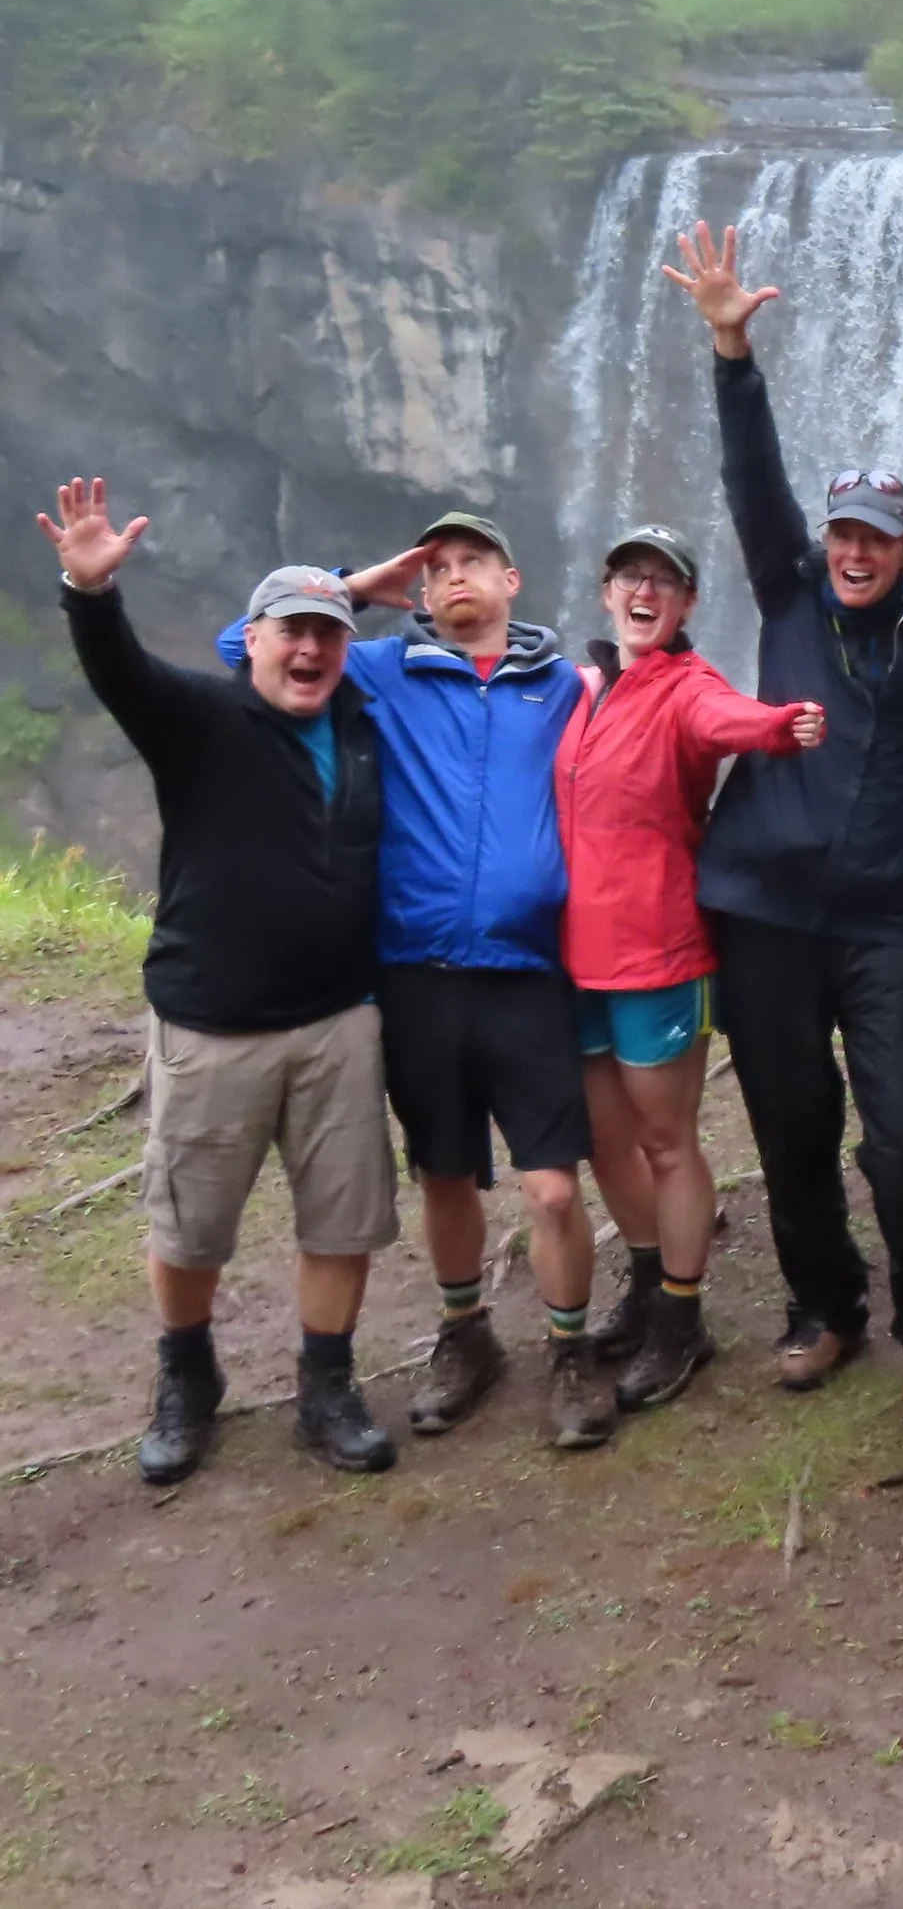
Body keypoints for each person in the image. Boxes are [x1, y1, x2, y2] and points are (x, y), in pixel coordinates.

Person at [661, 220, 903, 1433]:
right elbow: (755, 483)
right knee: (793, 1127)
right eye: (841, 532)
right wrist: (732, 355)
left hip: (881, 915)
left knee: (902, 1135)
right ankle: (824, 1306)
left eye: (876, 540)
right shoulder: (788, 591)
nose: (852, 552)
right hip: (757, 909)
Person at [41, 484, 398, 1484]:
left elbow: (346, 637)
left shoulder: (365, 719)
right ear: (251, 639)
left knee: (342, 1218)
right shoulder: (199, 715)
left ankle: (325, 1385)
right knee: (191, 1225)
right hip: (213, 1026)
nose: (312, 653)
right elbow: (118, 671)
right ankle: (185, 1374)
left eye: (327, 636)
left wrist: (351, 594)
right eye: (292, 634)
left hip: (338, 1020)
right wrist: (87, 589)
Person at [227, 512, 607, 1448]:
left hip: (528, 974)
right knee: (444, 1174)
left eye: (474, 561)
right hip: (416, 973)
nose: (455, 578)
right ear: (422, 592)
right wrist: (355, 589)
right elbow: (249, 650)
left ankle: (569, 1349)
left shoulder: (564, 689)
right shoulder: (383, 672)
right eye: (438, 570)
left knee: (553, 1188)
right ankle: (465, 1334)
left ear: (512, 581)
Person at [558, 522, 826, 1412]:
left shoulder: (685, 686)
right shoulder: (587, 686)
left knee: (665, 1140)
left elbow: (730, 722)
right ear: (606, 593)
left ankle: (682, 1317)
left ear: (685, 603)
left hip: (658, 951)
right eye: (629, 576)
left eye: (663, 582)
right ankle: (643, 1283)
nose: (645, 592)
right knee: (604, 1140)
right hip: (577, 957)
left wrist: (784, 726)